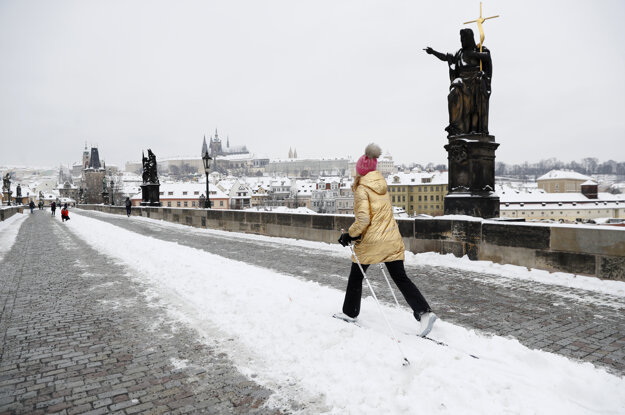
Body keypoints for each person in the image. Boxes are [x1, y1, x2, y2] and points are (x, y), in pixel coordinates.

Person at [336, 143, 437, 337]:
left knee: (356, 274)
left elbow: (364, 219)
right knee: (400, 277)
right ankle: (424, 312)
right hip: (391, 237)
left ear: (360, 171)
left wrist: (349, 234)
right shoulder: (382, 185)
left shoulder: (361, 189)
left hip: (373, 241)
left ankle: (350, 312)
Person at [425, 28, 492, 137]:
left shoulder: (479, 50)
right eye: (461, 39)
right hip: (462, 83)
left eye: (464, 39)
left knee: (475, 106)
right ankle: (456, 126)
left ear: (470, 39)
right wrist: (433, 52)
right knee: (453, 95)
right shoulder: (459, 53)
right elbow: (446, 57)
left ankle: (474, 129)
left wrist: (473, 54)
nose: (462, 41)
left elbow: (487, 57)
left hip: (475, 82)